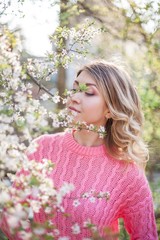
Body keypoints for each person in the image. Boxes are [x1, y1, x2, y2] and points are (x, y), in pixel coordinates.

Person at [1, 60, 158, 239]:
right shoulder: (42, 148)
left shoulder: (127, 172)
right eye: (75, 88)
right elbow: (10, 215)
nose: (75, 97)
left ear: (110, 110)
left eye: (89, 92)